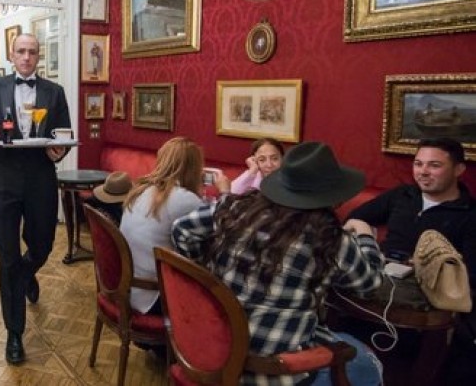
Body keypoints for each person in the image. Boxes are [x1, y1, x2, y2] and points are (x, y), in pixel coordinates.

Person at [172, 142, 384, 385]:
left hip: (209, 347)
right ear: (332, 196)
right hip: (271, 371)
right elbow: (369, 284)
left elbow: (181, 230)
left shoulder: (234, 208)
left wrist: (207, 275)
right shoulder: (332, 240)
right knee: (368, 363)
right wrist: (366, 236)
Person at [0, 33, 72, 364]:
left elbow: (64, 135)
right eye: (21, 51)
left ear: (38, 57)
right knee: (7, 255)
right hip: (4, 178)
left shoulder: (55, 93)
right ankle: (14, 333)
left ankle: (27, 275)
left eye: (32, 52)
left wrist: (59, 152)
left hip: (41, 177)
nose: (26, 57)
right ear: (12, 55)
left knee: (43, 245)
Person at [346, 137, 476, 382]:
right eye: (418, 164)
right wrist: (368, 241)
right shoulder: (403, 195)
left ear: (459, 169)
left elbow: (471, 275)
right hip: (378, 278)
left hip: (427, 295)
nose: (423, 172)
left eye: (434, 165)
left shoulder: (470, 214)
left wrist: (430, 267)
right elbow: (355, 218)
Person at [119, 137, 228, 315]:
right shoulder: (184, 199)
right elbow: (223, 222)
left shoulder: (143, 190)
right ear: (194, 169)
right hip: (154, 296)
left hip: (130, 286)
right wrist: (225, 192)